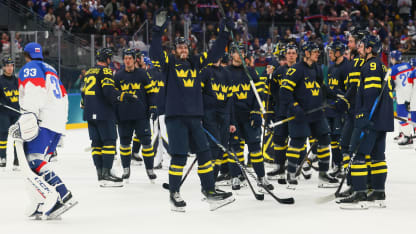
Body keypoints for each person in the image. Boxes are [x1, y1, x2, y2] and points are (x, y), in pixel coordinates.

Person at [150, 10, 235, 212]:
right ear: (174, 50)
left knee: (205, 154)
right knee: (179, 156)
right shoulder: (169, 64)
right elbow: (154, 53)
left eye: (185, 46)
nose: (183, 49)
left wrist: (224, 33)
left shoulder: (196, 64)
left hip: (195, 118)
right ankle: (174, 192)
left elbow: (214, 54)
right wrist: (157, 31)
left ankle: (209, 190)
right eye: (179, 47)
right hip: (176, 118)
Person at [17, 42, 75, 218]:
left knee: (33, 162)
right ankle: (41, 199)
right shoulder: (51, 69)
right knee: (41, 163)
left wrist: (28, 117)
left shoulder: (30, 67)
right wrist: (60, 127)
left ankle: (62, 193)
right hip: (56, 122)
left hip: (43, 122)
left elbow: (35, 93)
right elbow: (63, 97)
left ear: (25, 55)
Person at [280, 41, 347, 188]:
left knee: (324, 140)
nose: (318, 54)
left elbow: (321, 87)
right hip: (300, 114)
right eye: (315, 51)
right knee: (297, 142)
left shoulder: (316, 68)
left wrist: (336, 95)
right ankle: (290, 173)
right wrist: (295, 108)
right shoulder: (296, 70)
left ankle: (323, 175)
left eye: (318, 51)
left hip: (316, 112)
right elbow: (284, 92)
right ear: (307, 53)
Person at [337, 35, 393, 209]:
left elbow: (370, 93)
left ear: (370, 49)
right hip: (382, 120)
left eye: (362, 46)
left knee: (359, 154)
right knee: (377, 157)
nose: (359, 49)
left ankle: (359, 193)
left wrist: (362, 116)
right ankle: (378, 192)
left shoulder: (371, 65)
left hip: (370, 119)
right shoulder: (381, 66)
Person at [82, 48, 137, 187]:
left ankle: (100, 174)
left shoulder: (89, 71)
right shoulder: (105, 71)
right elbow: (108, 91)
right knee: (109, 141)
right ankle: (107, 174)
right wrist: (123, 96)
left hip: (89, 112)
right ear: (107, 59)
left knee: (96, 143)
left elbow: (83, 94)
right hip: (103, 112)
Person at [227, 43, 274, 191]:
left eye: (242, 52)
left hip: (249, 117)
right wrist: (228, 118)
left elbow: (258, 94)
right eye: (237, 52)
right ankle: (235, 176)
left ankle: (261, 177)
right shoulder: (225, 72)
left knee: (255, 148)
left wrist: (256, 112)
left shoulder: (251, 72)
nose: (240, 55)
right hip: (233, 117)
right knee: (235, 148)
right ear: (231, 54)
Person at [114, 49, 157, 183]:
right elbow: (114, 96)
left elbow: (151, 92)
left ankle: (150, 170)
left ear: (134, 60)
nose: (127, 60)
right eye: (125, 58)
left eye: (130, 58)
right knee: (125, 144)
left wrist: (153, 106)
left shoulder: (143, 74)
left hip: (141, 116)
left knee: (147, 143)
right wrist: (115, 114)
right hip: (124, 116)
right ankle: (126, 170)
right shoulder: (118, 76)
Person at [200, 55, 235, 186]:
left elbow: (230, 99)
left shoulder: (226, 73)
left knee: (222, 148)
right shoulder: (205, 71)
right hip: (210, 114)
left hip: (224, 115)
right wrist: (200, 115)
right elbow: (199, 94)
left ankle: (212, 180)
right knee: (214, 147)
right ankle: (209, 181)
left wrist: (232, 121)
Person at [267, 44, 298, 185]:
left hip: (296, 111)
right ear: (285, 55)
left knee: (296, 141)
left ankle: (293, 169)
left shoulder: (301, 70)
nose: (291, 55)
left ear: (296, 55)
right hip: (281, 111)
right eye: (289, 53)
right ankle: (279, 169)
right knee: (279, 140)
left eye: (293, 53)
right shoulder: (279, 71)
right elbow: (272, 91)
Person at [326, 41, 349, 178]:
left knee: (342, 139)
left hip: (342, 109)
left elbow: (349, 91)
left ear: (339, 52)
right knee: (333, 139)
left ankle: (344, 166)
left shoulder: (347, 67)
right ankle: (336, 164)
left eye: (331, 51)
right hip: (331, 109)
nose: (329, 54)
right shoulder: (331, 68)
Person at [388, 50, 413, 146]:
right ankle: (402, 133)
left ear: (393, 58)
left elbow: (391, 85)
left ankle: (407, 137)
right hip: (411, 93)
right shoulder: (408, 65)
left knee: (401, 116)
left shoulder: (392, 69)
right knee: (405, 115)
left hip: (402, 96)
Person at [0, 57, 19, 169]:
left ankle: (17, 159)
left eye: (11, 65)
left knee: (17, 136)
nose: (10, 68)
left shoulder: (17, 80)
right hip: (4, 113)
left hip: (16, 113)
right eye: (7, 65)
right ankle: (2, 157)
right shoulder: (0, 81)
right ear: (3, 67)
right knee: (3, 135)